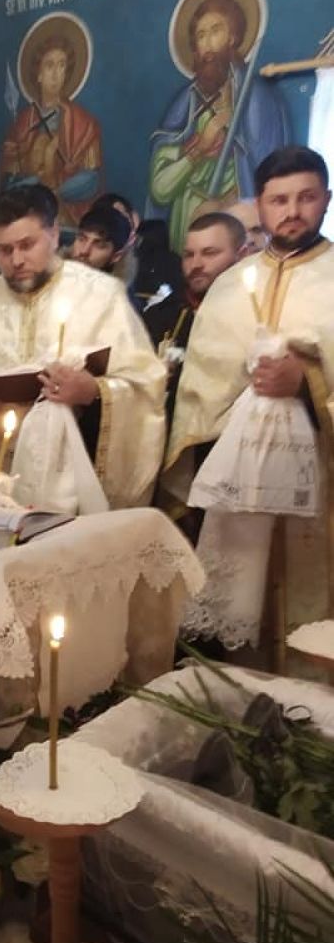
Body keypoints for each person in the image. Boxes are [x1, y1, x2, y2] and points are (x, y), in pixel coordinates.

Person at [163, 145, 333, 645]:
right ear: (260, 205)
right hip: (239, 480)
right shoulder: (230, 285)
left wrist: (307, 383)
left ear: (327, 199)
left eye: (306, 197)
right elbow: (200, 393)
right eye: (279, 200)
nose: (292, 211)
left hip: (323, 481)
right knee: (238, 614)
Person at [0, 183, 166, 509]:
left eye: (27, 245)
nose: (17, 260)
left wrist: (93, 391)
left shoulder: (102, 296)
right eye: (4, 250)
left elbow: (146, 385)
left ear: (55, 234)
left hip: (71, 483)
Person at [148, 0, 289, 251]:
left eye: (216, 31)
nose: (208, 44)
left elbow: (268, 171)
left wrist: (227, 205)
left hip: (238, 224)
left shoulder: (254, 96)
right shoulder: (185, 103)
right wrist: (200, 147)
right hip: (186, 222)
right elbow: (160, 189)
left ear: (233, 37)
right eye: (201, 36)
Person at [144, 211, 245, 424]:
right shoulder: (161, 314)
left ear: (242, 255)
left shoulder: (255, 315)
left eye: (209, 253)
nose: (196, 264)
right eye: (189, 255)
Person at [0, 34, 102, 223]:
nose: (56, 74)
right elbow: (7, 183)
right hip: (27, 219)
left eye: (62, 65)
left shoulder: (84, 123)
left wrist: (57, 192)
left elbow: (92, 179)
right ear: (38, 74)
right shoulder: (21, 124)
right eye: (49, 65)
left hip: (68, 218)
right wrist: (30, 185)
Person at [70, 204, 130, 278]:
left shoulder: (116, 285)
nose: (84, 251)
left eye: (99, 245)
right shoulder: (57, 273)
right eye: (81, 239)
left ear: (115, 257)